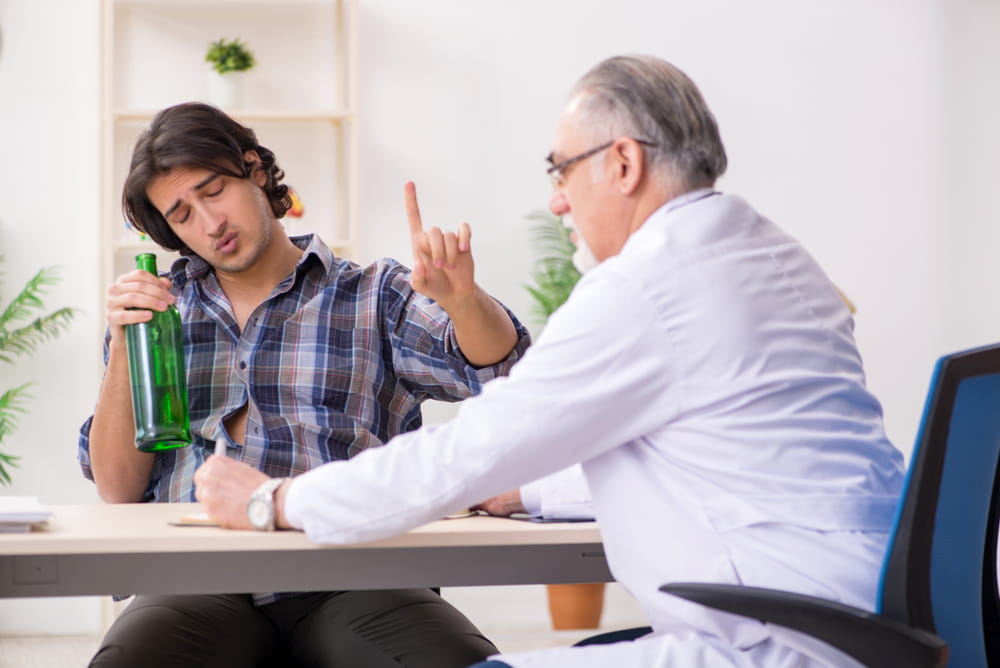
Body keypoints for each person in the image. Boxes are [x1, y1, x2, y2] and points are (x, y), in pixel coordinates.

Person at [194, 55, 906, 667]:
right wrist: (527, 495)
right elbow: (719, 459)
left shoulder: (646, 288)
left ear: (623, 162)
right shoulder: (772, 257)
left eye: (561, 169)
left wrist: (273, 500)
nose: (557, 200)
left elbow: (465, 453)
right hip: (869, 616)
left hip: (781, 640)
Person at [77, 101, 531, 668]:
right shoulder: (156, 315)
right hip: (194, 577)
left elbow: (505, 375)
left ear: (256, 171)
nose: (209, 223)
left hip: (357, 572)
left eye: (213, 190)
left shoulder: (374, 293)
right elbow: (116, 488)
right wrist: (124, 344)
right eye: (182, 214)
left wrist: (464, 301)